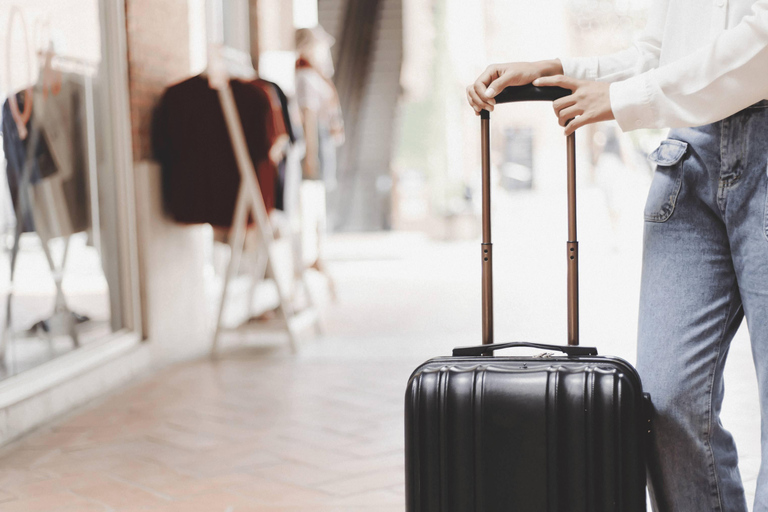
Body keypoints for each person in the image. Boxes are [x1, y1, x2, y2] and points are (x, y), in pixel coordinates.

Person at [467, 1, 768, 511]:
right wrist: (561, 71)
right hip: (689, 153)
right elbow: (661, 52)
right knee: (666, 400)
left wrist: (631, 98)